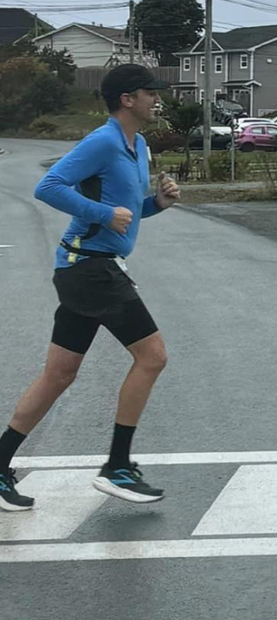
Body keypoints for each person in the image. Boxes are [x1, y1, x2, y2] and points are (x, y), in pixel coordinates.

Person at [0, 64, 179, 512]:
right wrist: (101, 214)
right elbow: (49, 186)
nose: (157, 100)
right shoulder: (102, 141)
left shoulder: (137, 146)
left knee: (59, 373)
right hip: (89, 267)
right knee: (153, 356)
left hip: (90, 266)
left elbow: (125, 212)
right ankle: (117, 466)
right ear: (126, 99)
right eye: (149, 93)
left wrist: (155, 204)